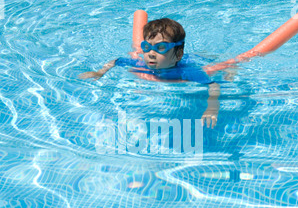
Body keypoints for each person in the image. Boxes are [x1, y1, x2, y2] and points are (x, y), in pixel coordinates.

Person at [79, 18, 220, 128]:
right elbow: (117, 60)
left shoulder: (187, 71)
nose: (151, 54)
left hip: (190, 60)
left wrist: (212, 107)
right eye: (147, 47)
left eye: (161, 47)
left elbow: (213, 86)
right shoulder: (142, 64)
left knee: (213, 59)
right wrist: (100, 72)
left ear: (178, 54)